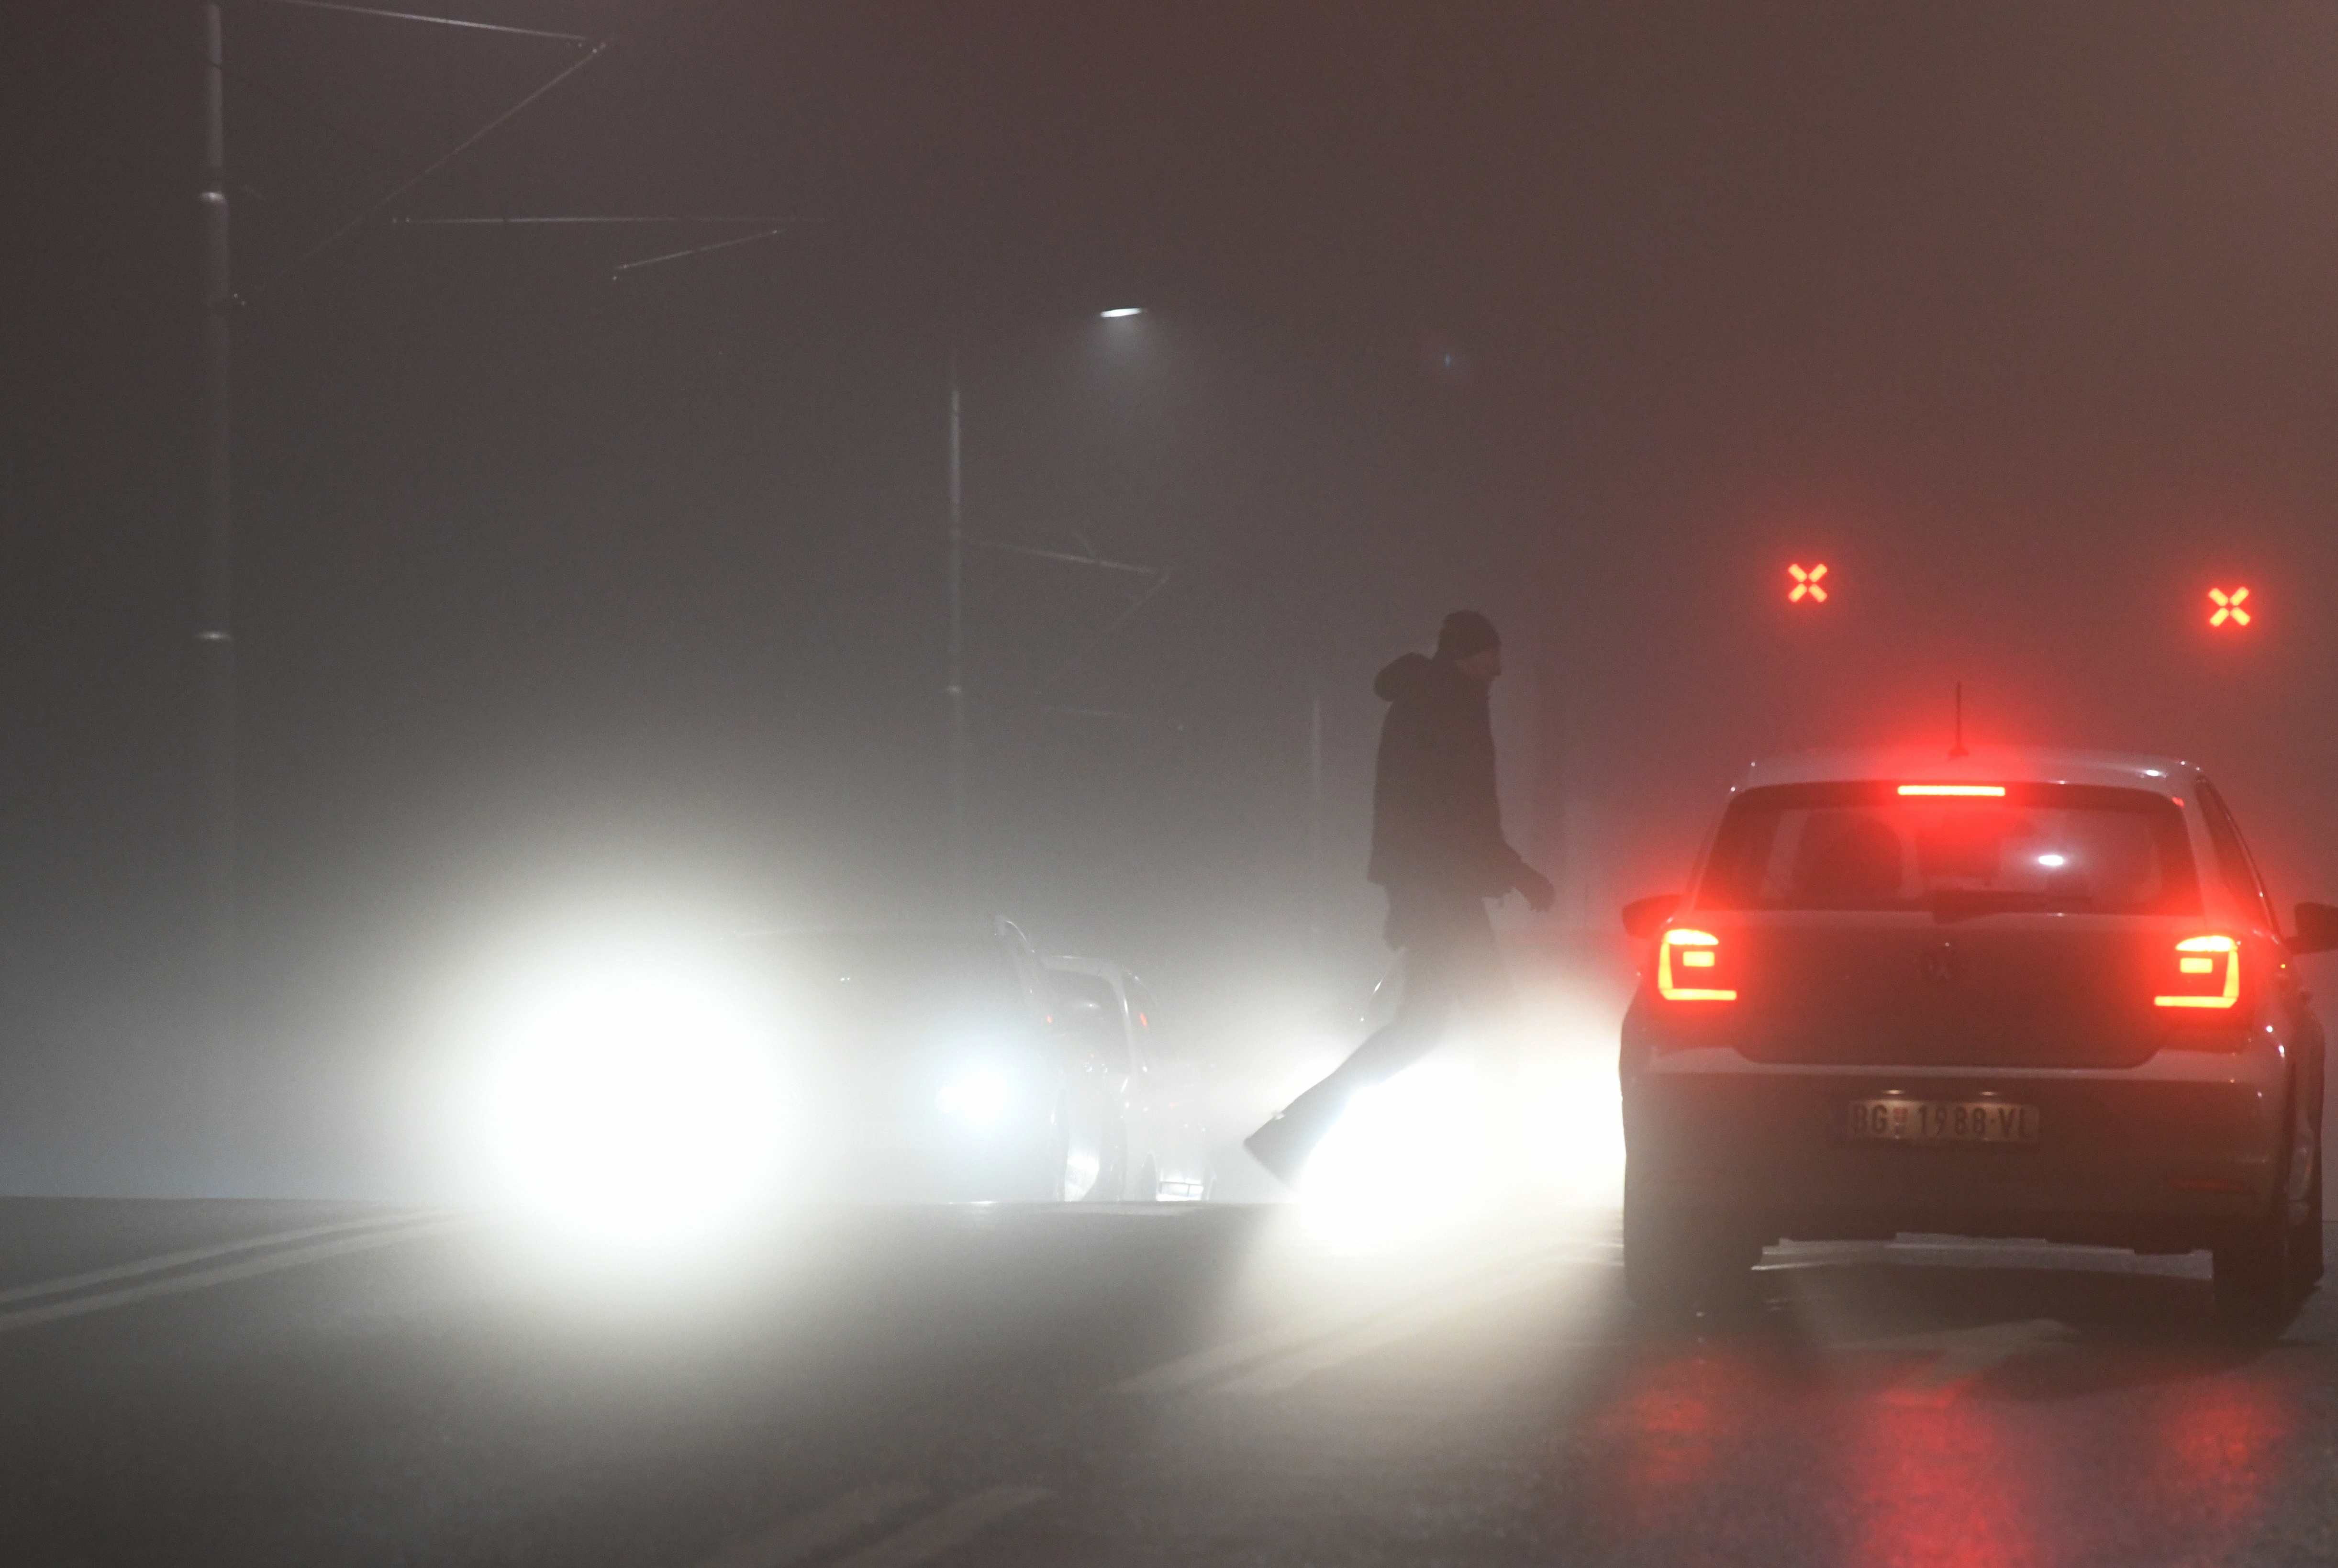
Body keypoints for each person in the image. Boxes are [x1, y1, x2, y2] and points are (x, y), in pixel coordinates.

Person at [1245, 610, 1556, 1187]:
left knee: (1424, 1028)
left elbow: (1421, 813)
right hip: (1443, 890)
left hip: (1431, 888)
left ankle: (1290, 1137)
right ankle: (1506, 1170)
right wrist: (1517, 875)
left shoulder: (1431, 701)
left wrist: (1406, 892)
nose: (1500, 665)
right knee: (1492, 1021)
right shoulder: (1448, 708)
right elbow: (1459, 815)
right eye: (1491, 654)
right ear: (1467, 656)